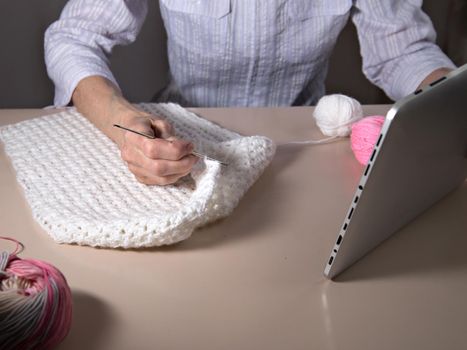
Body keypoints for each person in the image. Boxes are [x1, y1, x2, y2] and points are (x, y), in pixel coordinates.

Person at [45, 0, 455, 185]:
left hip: (309, 154)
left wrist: (454, 103)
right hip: (187, 151)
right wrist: (125, 126)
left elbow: (404, 50)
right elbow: (74, 39)